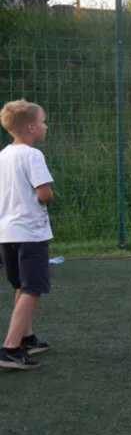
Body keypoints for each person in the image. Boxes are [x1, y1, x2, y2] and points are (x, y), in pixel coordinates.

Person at [0, 101, 54, 371]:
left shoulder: (3, 155)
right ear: (31, 127)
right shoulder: (33, 156)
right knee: (33, 288)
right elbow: (44, 194)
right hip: (31, 232)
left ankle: (26, 338)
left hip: (6, 233)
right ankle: (10, 348)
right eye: (43, 122)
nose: (45, 126)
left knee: (22, 286)